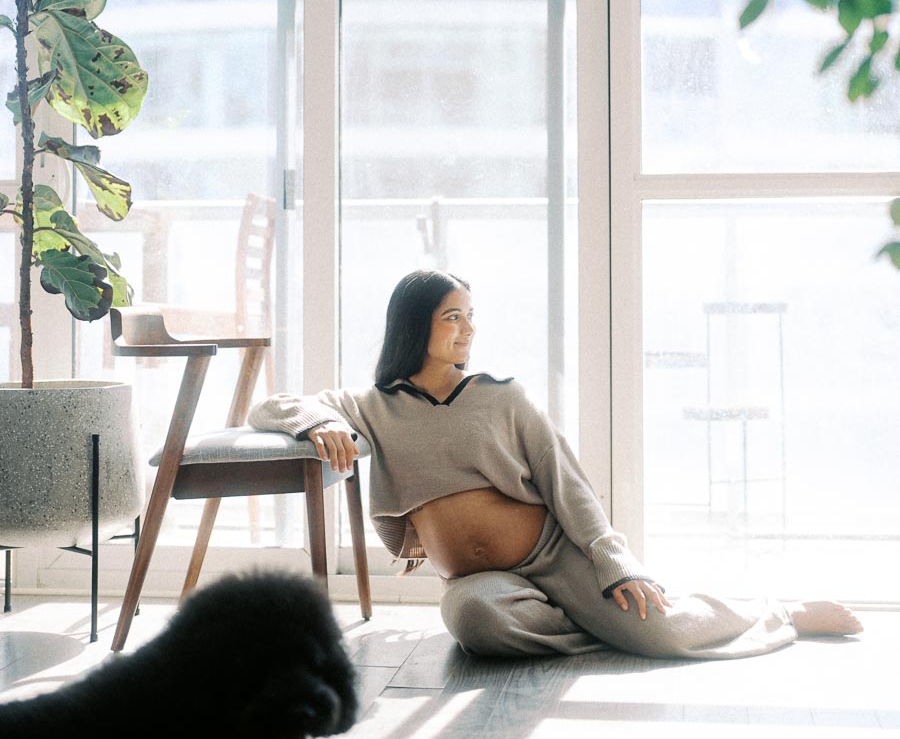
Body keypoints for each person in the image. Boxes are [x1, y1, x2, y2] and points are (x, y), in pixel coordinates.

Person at [253, 269, 862, 660]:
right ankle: (601, 626)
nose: (468, 330)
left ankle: (780, 612)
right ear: (417, 326)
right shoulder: (371, 406)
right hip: (478, 582)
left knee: (661, 635)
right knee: (475, 626)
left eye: (470, 315)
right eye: (452, 317)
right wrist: (321, 422)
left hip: (556, 554)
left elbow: (567, 484)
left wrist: (614, 564)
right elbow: (272, 405)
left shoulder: (502, 396)